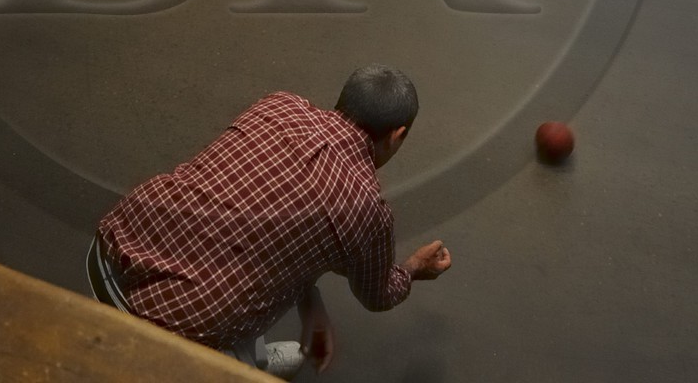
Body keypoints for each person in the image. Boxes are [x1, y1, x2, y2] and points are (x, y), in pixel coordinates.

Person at [92, 66, 453, 378]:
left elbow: (274, 229)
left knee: (244, 257)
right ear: (398, 135)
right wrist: (413, 268)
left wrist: (311, 304)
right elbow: (378, 295)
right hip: (165, 331)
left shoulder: (278, 106)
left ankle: (247, 356)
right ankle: (241, 364)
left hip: (107, 256)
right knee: (229, 322)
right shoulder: (366, 210)